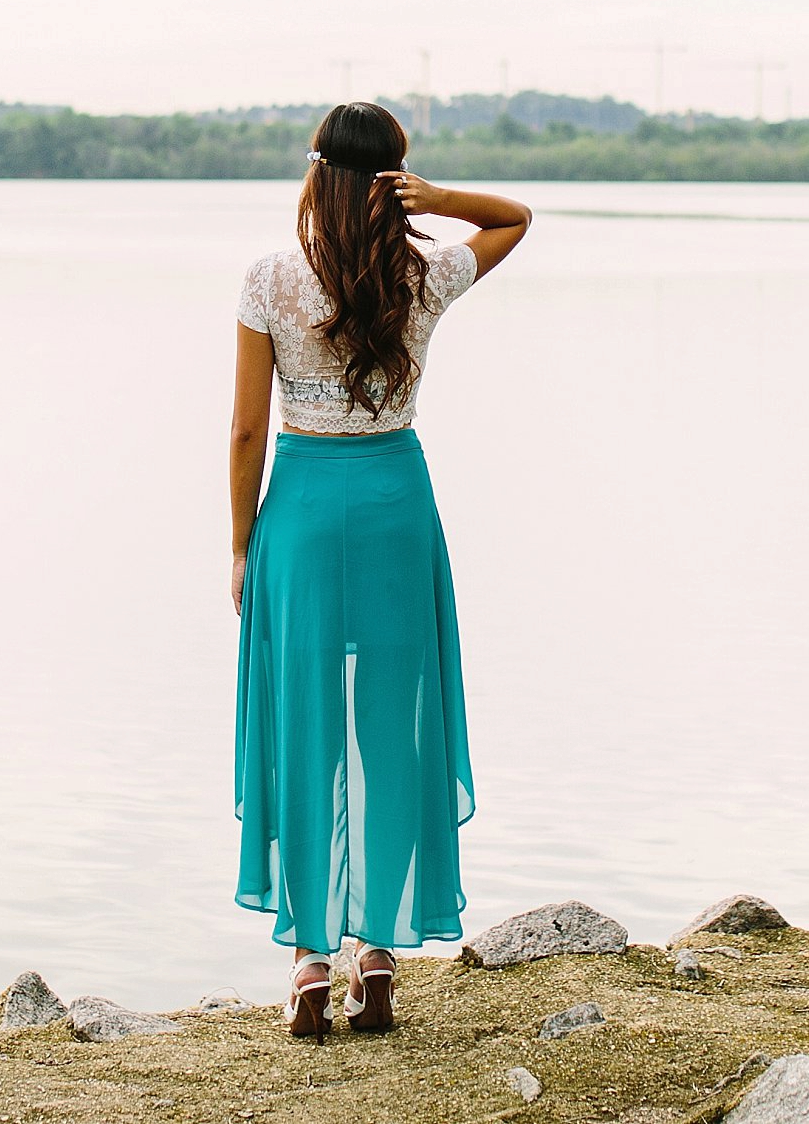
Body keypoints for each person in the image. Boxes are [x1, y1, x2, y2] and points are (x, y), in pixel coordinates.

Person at [226, 100, 533, 1038]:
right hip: (398, 503)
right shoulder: (426, 271)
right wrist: (438, 198)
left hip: (306, 515)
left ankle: (312, 960)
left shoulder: (272, 278)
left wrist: (241, 546)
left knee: (304, 720)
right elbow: (514, 218)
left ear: (316, 175)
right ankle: (378, 954)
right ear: (394, 181)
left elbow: (245, 430)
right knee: (392, 726)